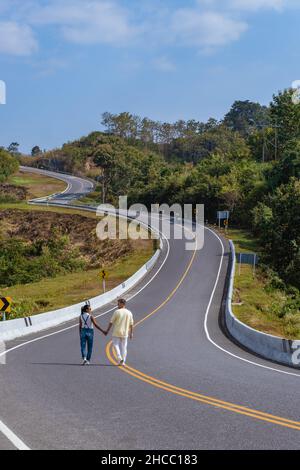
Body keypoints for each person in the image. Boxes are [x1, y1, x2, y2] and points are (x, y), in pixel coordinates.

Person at [105, 298, 134, 366]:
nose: (117, 305)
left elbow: (111, 322)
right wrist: (131, 333)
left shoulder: (117, 312)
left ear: (122, 304)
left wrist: (107, 330)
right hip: (125, 333)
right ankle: (123, 361)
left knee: (116, 345)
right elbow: (131, 323)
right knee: (124, 347)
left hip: (117, 332)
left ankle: (120, 358)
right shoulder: (129, 312)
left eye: (118, 303)